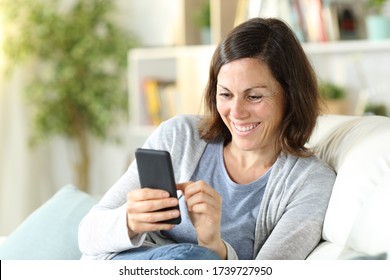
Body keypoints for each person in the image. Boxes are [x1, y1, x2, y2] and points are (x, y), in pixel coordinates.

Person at [78, 17, 336, 260]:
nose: (236, 113)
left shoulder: (310, 182)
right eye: (225, 95)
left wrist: (214, 245)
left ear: (291, 96)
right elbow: (87, 235)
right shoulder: (180, 136)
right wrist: (130, 220)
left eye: (254, 96)